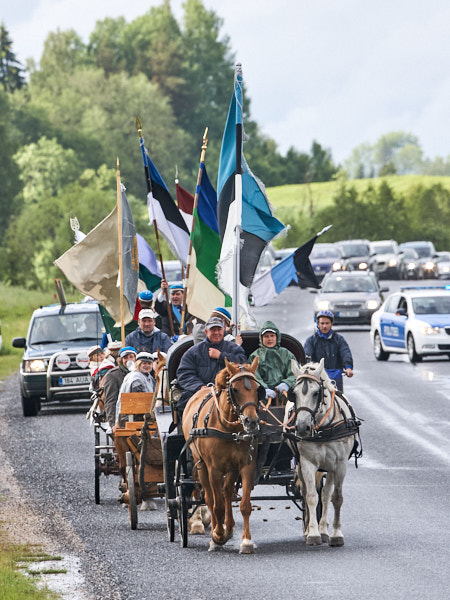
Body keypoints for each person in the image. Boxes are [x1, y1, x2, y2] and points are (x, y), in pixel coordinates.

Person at [176, 316, 247, 416]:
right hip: (202, 393)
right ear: (206, 332)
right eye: (213, 330)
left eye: (219, 329)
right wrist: (200, 387)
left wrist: (221, 356)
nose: (216, 333)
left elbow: (243, 364)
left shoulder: (233, 348)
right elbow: (184, 374)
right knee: (184, 403)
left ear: (223, 330)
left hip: (230, 393)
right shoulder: (193, 352)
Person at [303, 310, 353, 392]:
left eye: (327, 323)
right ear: (318, 324)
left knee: (339, 401)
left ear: (331, 324)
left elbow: (345, 353)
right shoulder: (311, 341)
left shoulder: (339, 339)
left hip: (335, 376)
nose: (324, 326)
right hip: (317, 376)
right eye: (322, 323)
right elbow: (307, 356)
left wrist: (348, 367)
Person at [248, 321, 298, 403]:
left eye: (272, 336)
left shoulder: (286, 354)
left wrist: (287, 384)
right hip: (262, 398)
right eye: (266, 336)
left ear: (277, 337)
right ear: (261, 338)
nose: (270, 339)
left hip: (285, 396)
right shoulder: (255, 356)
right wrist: (264, 389)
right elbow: (253, 376)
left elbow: (295, 373)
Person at [115, 351, 155, 428]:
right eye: (144, 363)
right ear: (138, 364)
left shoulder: (148, 376)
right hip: (133, 416)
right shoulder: (136, 379)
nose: (147, 366)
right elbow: (139, 402)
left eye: (149, 364)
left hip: (140, 413)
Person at [103, 347, 137, 430]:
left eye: (131, 357)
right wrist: (113, 423)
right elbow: (110, 401)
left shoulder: (141, 373)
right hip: (123, 418)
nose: (129, 360)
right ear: (121, 360)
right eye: (125, 358)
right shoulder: (113, 375)